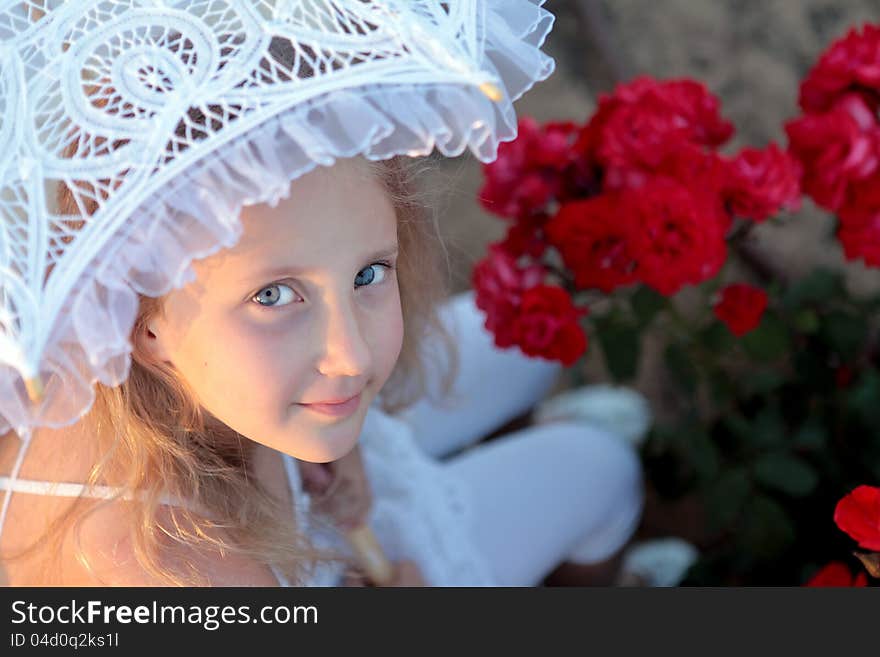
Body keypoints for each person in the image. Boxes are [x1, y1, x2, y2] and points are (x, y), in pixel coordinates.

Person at [0, 0, 644, 586]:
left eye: (369, 273)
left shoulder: (82, 329)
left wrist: (330, 449)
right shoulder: (185, 580)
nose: (354, 356)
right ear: (145, 326)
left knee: (527, 352)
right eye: (274, 296)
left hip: (297, 453)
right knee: (603, 468)